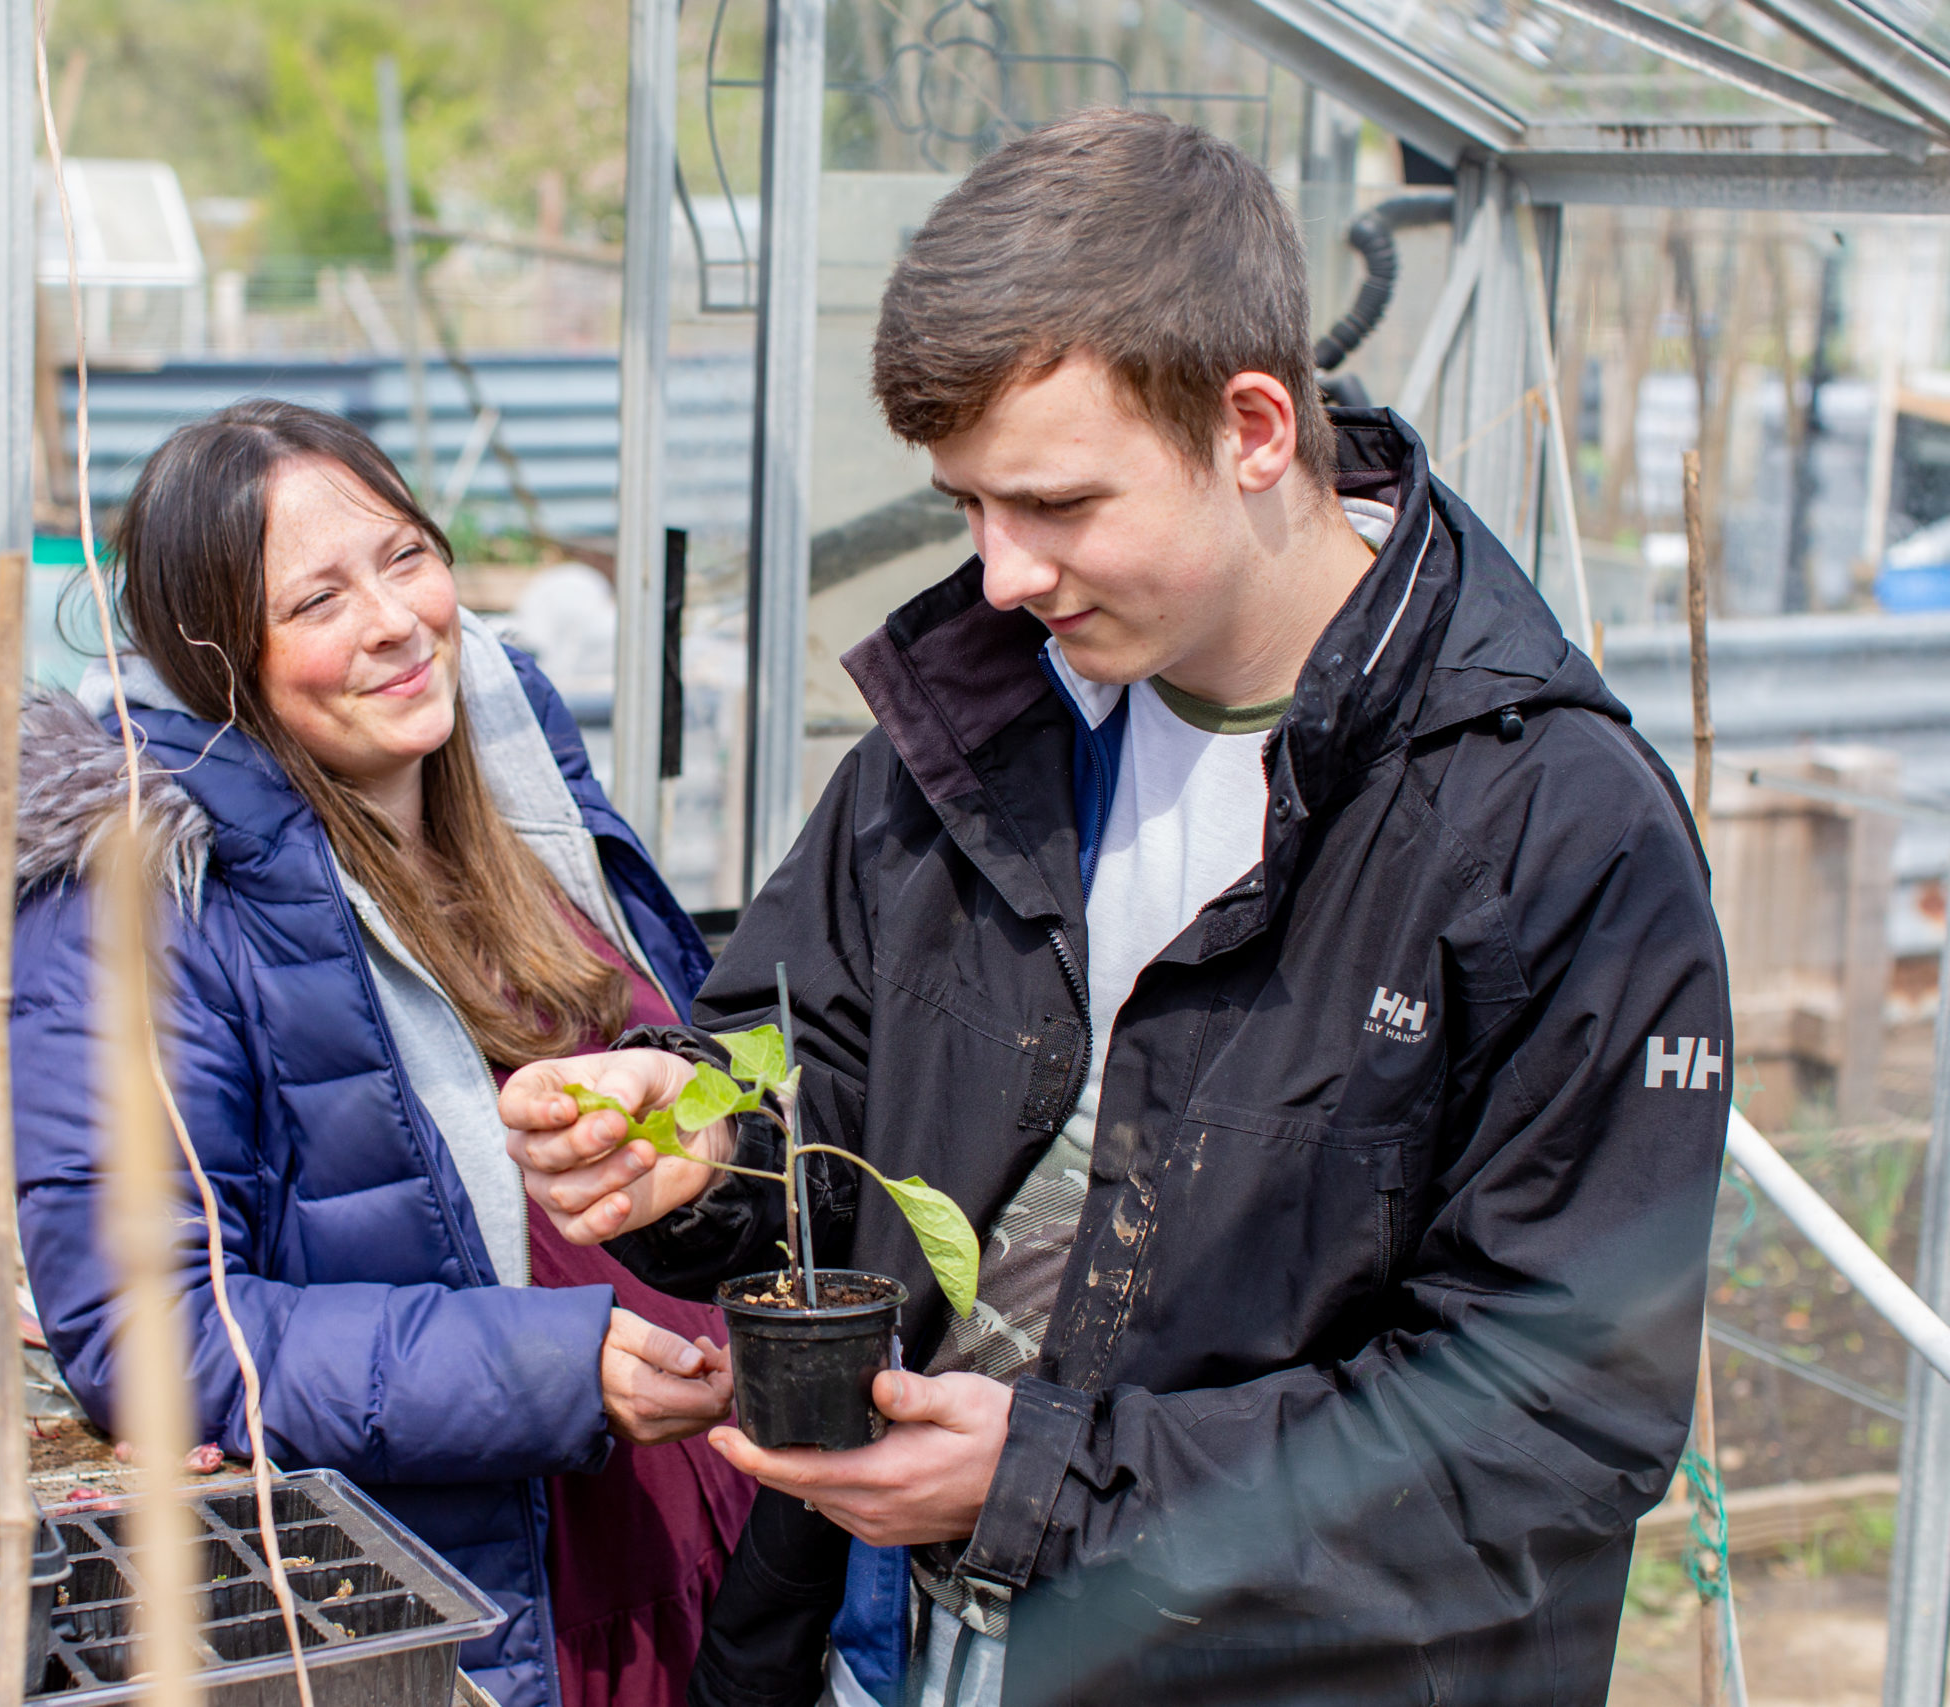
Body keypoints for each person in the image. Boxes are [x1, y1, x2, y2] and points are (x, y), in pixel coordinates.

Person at [504, 109, 1731, 1706]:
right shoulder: (974, 736)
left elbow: (1551, 1428)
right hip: (897, 1639)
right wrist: (696, 1133)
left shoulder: (1544, 830)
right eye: (967, 508)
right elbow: (810, 1072)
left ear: (1255, 426)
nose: (1004, 573)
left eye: (1060, 506)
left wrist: (1052, 1488)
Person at [0, 401, 754, 1707]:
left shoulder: (512, 772)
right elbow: (152, 1332)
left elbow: (696, 1065)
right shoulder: (136, 900)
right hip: (492, 1581)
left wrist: (709, 1125)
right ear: (218, 662)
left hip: (707, 1519)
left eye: (407, 557)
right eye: (315, 602)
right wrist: (545, 1369)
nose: (397, 622)